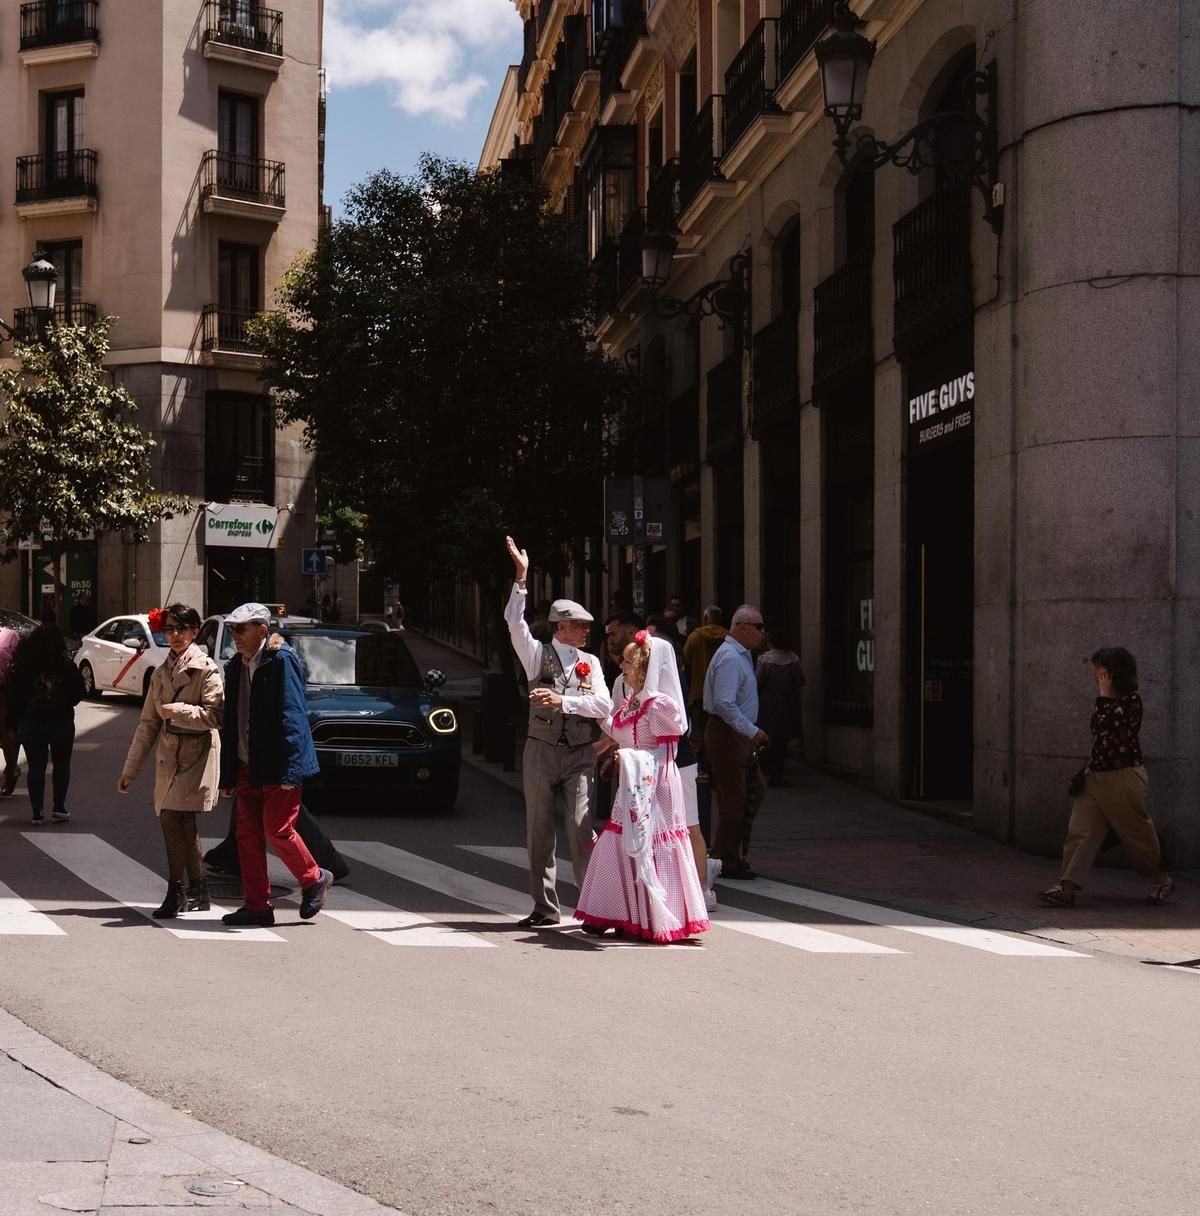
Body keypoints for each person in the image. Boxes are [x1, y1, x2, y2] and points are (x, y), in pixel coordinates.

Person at [504, 536, 612, 928]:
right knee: (540, 831)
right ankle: (545, 908)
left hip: (580, 753)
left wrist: (564, 702)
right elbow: (514, 623)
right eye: (581, 626)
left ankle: (592, 908)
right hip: (541, 751)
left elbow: (604, 706)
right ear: (562, 627)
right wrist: (522, 578)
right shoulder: (536, 653)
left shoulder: (591, 663)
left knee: (582, 829)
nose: (587, 631)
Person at [576, 633, 710, 943]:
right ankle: (619, 914)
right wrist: (593, 710)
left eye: (627, 660)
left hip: (656, 789)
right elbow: (619, 732)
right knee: (619, 841)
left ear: (645, 668)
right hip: (632, 786)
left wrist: (628, 757)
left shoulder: (661, 706)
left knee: (649, 844)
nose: (621, 664)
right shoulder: (632, 702)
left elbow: (666, 753)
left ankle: (647, 916)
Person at [217, 602, 331, 928]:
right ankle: (257, 906)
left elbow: (293, 715)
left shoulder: (281, 660)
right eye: (233, 629)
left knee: (278, 829)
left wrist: (291, 770)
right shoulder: (235, 666)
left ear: (262, 631)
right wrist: (227, 774)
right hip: (246, 764)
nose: (235, 635)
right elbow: (232, 721)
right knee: (247, 836)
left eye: (242, 629)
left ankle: (314, 879)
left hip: (278, 765)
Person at [1038, 647, 1174, 908]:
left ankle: (1163, 878)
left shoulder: (1131, 702)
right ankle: (1066, 888)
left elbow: (1108, 728)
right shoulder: (1107, 703)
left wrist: (1103, 698)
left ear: (1114, 674)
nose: (1095, 674)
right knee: (1080, 832)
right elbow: (1098, 734)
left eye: (1101, 670)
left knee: (1139, 836)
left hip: (1123, 779)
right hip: (1095, 778)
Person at [117, 604, 223, 918]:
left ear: (194, 632)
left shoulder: (206, 668)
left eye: (182, 629)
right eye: (170, 629)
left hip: (196, 756)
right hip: (169, 758)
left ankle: (175, 891)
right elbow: (148, 723)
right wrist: (130, 770)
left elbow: (215, 715)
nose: (175, 635)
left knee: (171, 818)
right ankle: (200, 889)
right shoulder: (161, 671)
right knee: (181, 822)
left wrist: (177, 711)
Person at [646, 614, 715, 909]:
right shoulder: (639, 678)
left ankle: (702, 888)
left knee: (689, 825)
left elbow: (680, 724)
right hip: (654, 761)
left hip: (678, 760)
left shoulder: (672, 677)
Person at [703, 605, 768, 880]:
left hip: (736, 734)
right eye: (759, 627)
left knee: (752, 791)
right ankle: (722, 858)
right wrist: (750, 730)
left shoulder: (741, 655)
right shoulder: (731, 657)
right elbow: (724, 704)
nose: (762, 633)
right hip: (728, 733)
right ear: (742, 627)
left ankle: (728, 853)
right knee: (735, 798)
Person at [6, 624, 84, 826]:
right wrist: (64, 701)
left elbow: (14, 698)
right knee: (61, 765)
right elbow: (79, 692)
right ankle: (59, 806)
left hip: (31, 722)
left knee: (36, 767)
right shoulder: (66, 666)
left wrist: (12, 724)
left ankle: (37, 812)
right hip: (62, 722)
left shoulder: (24, 666)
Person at [755, 629, 806, 785]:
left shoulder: (763, 659)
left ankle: (768, 768)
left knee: (768, 736)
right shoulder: (794, 659)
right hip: (787, 703)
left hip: (768, 703)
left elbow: (758, 682)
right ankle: (779, 770)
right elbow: (800, 680)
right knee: (782, 740)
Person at [683, 605, 727, 738]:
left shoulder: (694, 637)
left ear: (706, 618)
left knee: (699, 732)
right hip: (723, 692)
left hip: (698, 692)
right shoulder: (728, 638)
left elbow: (685, 661)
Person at [0, 624, 22, 798]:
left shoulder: (10, 635)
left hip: (4, 692)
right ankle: (11, 771)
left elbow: (19, 663)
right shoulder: (11, 635)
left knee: (8, 736)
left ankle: (11, 771)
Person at [603, 609, 645, 688]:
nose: (609, 641)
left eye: (613, 634)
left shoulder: (648, 663)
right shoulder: (611, 670)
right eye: (608, 636)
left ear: (631, 633)